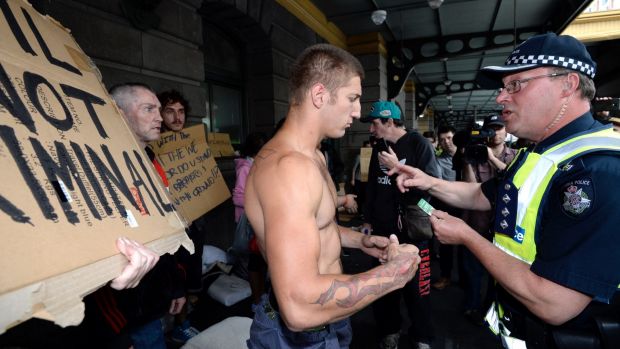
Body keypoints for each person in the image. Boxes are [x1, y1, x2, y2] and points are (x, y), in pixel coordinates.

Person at [390, 33, 620, 348]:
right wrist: (427, 181)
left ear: (568, 85)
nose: (500, 98)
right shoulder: (543, 154)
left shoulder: (597, 171)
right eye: (503, 87)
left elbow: (555, 304)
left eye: (515, 85)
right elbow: (480, 195)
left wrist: (467, 237)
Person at [243, 43, 421, 349]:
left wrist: (361, 240)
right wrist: (393, 275)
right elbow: (298, 307)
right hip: (300, 335)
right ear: (320, 95)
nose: (357, 111)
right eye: (352, 98)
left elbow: (316, 226)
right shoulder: (288, 168)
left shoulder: (314, 156)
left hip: (331, 320)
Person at [102, 82, 188, 349]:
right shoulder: (103, 164)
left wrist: (175, 286)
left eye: (158, 110)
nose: (160, 118)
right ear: (120, 112)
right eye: (149, 109)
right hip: (121, 314)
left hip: (152, 298)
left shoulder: (151, 160)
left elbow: (163, 226)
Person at [368, 100, 439, 349]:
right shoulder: (379, 146)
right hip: (382, 233)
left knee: (418, 290)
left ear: (389, 121)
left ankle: (422, 336)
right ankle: (390, 332)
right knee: (384, 288)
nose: (370, 129)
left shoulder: (419, 143)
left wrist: (397, 169)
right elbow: (373, 186)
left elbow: (432, 184)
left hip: (413, 232)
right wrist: (368, 218)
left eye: (375, 123)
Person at [459, 114, 517, 325]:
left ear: (505, 131)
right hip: (478, 222)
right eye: (491, 128)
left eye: (499, 128)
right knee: (473, 270)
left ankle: (493, 309)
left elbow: (516, 179)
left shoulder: (516, 155)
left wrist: (492, 159)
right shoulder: (476, 153)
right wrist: (467, 161)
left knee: (500, 273)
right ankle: (472, 306)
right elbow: (469, 187)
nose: (495, 133)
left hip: (505, 225)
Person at [155, 89, 202, 344]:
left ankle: (183, 320)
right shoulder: (153, 148)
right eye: (170, 111)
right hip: (167, 227)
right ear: (161, 115)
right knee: (174, 278)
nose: (176, 117)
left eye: (181, 111)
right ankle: (176, 326)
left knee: (190, 274)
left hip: (193, 224)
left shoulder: (192, 144)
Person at [232, 131, 268, 305]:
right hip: (247, 221)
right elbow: (237, 197)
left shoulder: (256, 165)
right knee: (251, 256)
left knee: (255, 257)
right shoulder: (245, 167)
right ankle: (255, 297)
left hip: (255, 219)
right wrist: (257, 202)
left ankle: (258, 295)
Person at [432, 125, 459, 291]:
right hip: (448, 207)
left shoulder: (468, 157)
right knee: (446, 245)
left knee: (468, 250)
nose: (446, 142)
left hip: (471, 210)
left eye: (449, 138)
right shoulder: (439, 161)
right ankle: (445, 276)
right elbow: (439, 185)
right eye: (442, 140)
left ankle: (467, 280)